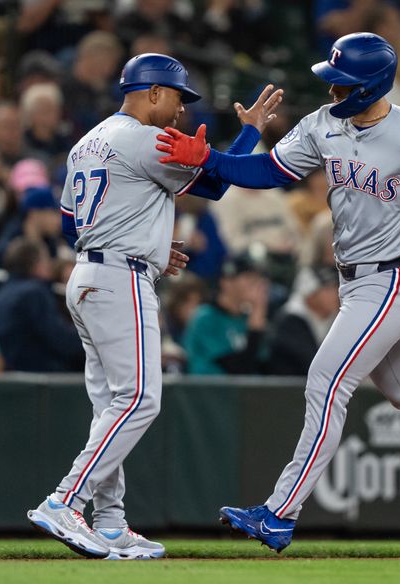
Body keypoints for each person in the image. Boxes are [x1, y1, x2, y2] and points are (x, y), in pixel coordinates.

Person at [155, 32, 400, 553]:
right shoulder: (324, 124)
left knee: (327, 380)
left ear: (371, 86)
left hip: (396, 276)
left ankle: (279, 513)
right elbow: (270, 171)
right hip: (355, 279)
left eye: (342, 84)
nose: (333, 91)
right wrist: (207, 158)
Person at [26, 53, 283, 560]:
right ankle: (65, 500)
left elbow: (69, 227)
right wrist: (250, 130)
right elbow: (217, 182)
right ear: (152, 92)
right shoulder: (146, 137)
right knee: (140, 398)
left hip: (88, 275)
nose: (181, 111)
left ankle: (112, 523)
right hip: (119, 279)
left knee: (111, 408)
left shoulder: (86, 142)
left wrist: (140, 240)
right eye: (177, 98)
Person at [0, 238, 84, 372]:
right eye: (46, 259)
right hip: (27, 378)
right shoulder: (33, 293)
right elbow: (62, 341)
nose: (50, 265)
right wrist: (94, 339)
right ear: (36, 265)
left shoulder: (2, 292)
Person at [182, 254, 270, 375]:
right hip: (209, 391)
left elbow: (263, 366)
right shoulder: (206, 318)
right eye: (249, 278)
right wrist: (255, 324)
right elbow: (237, 369)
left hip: (243, 393)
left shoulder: (246, 319)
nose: (256, 284)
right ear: (226, 282)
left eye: (257, 278)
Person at [267, 264, 341, 376]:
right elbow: (313, 365)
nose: (336, 294)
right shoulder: (291, 321)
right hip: (289, 390)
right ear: (310, 294)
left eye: (336, 287)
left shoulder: (333, 317)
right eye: (327, 289)